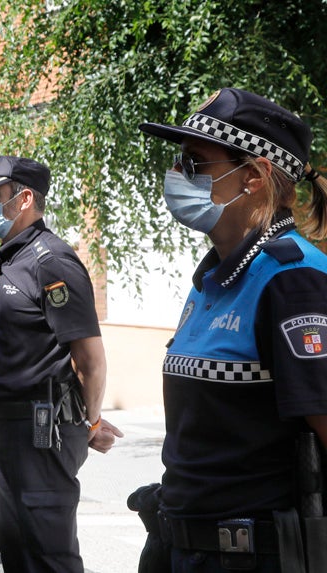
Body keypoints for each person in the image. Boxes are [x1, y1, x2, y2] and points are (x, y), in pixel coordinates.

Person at [137, 88, 327, 572]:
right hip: (186, 550)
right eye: (180, 162)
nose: (178, 176)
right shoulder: (212, 277)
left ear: (254, 178)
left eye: (196, 164)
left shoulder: (292, 281)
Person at [0, 156, 121, 572]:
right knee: (19, 556)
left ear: (25, 198)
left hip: (42, 431)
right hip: (10, 429)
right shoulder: (15, 260)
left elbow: (90, 359)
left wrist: (91, 421)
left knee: (48, 557)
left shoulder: (50, 261)